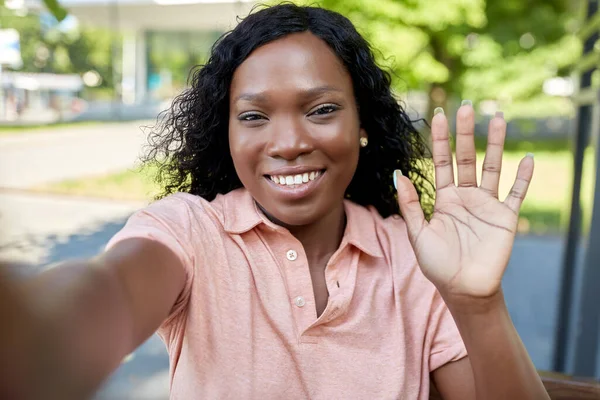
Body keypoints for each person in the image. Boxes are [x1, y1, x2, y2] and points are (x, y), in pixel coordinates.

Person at [0, 3, 549, 399]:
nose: (287, 144)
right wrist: (35, 329)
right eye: (255, 117)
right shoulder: (190, 233)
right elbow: (105, 296)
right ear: (228, 134)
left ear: (364, 125)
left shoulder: (416, 259)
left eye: (322, 110)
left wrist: (477, 303)